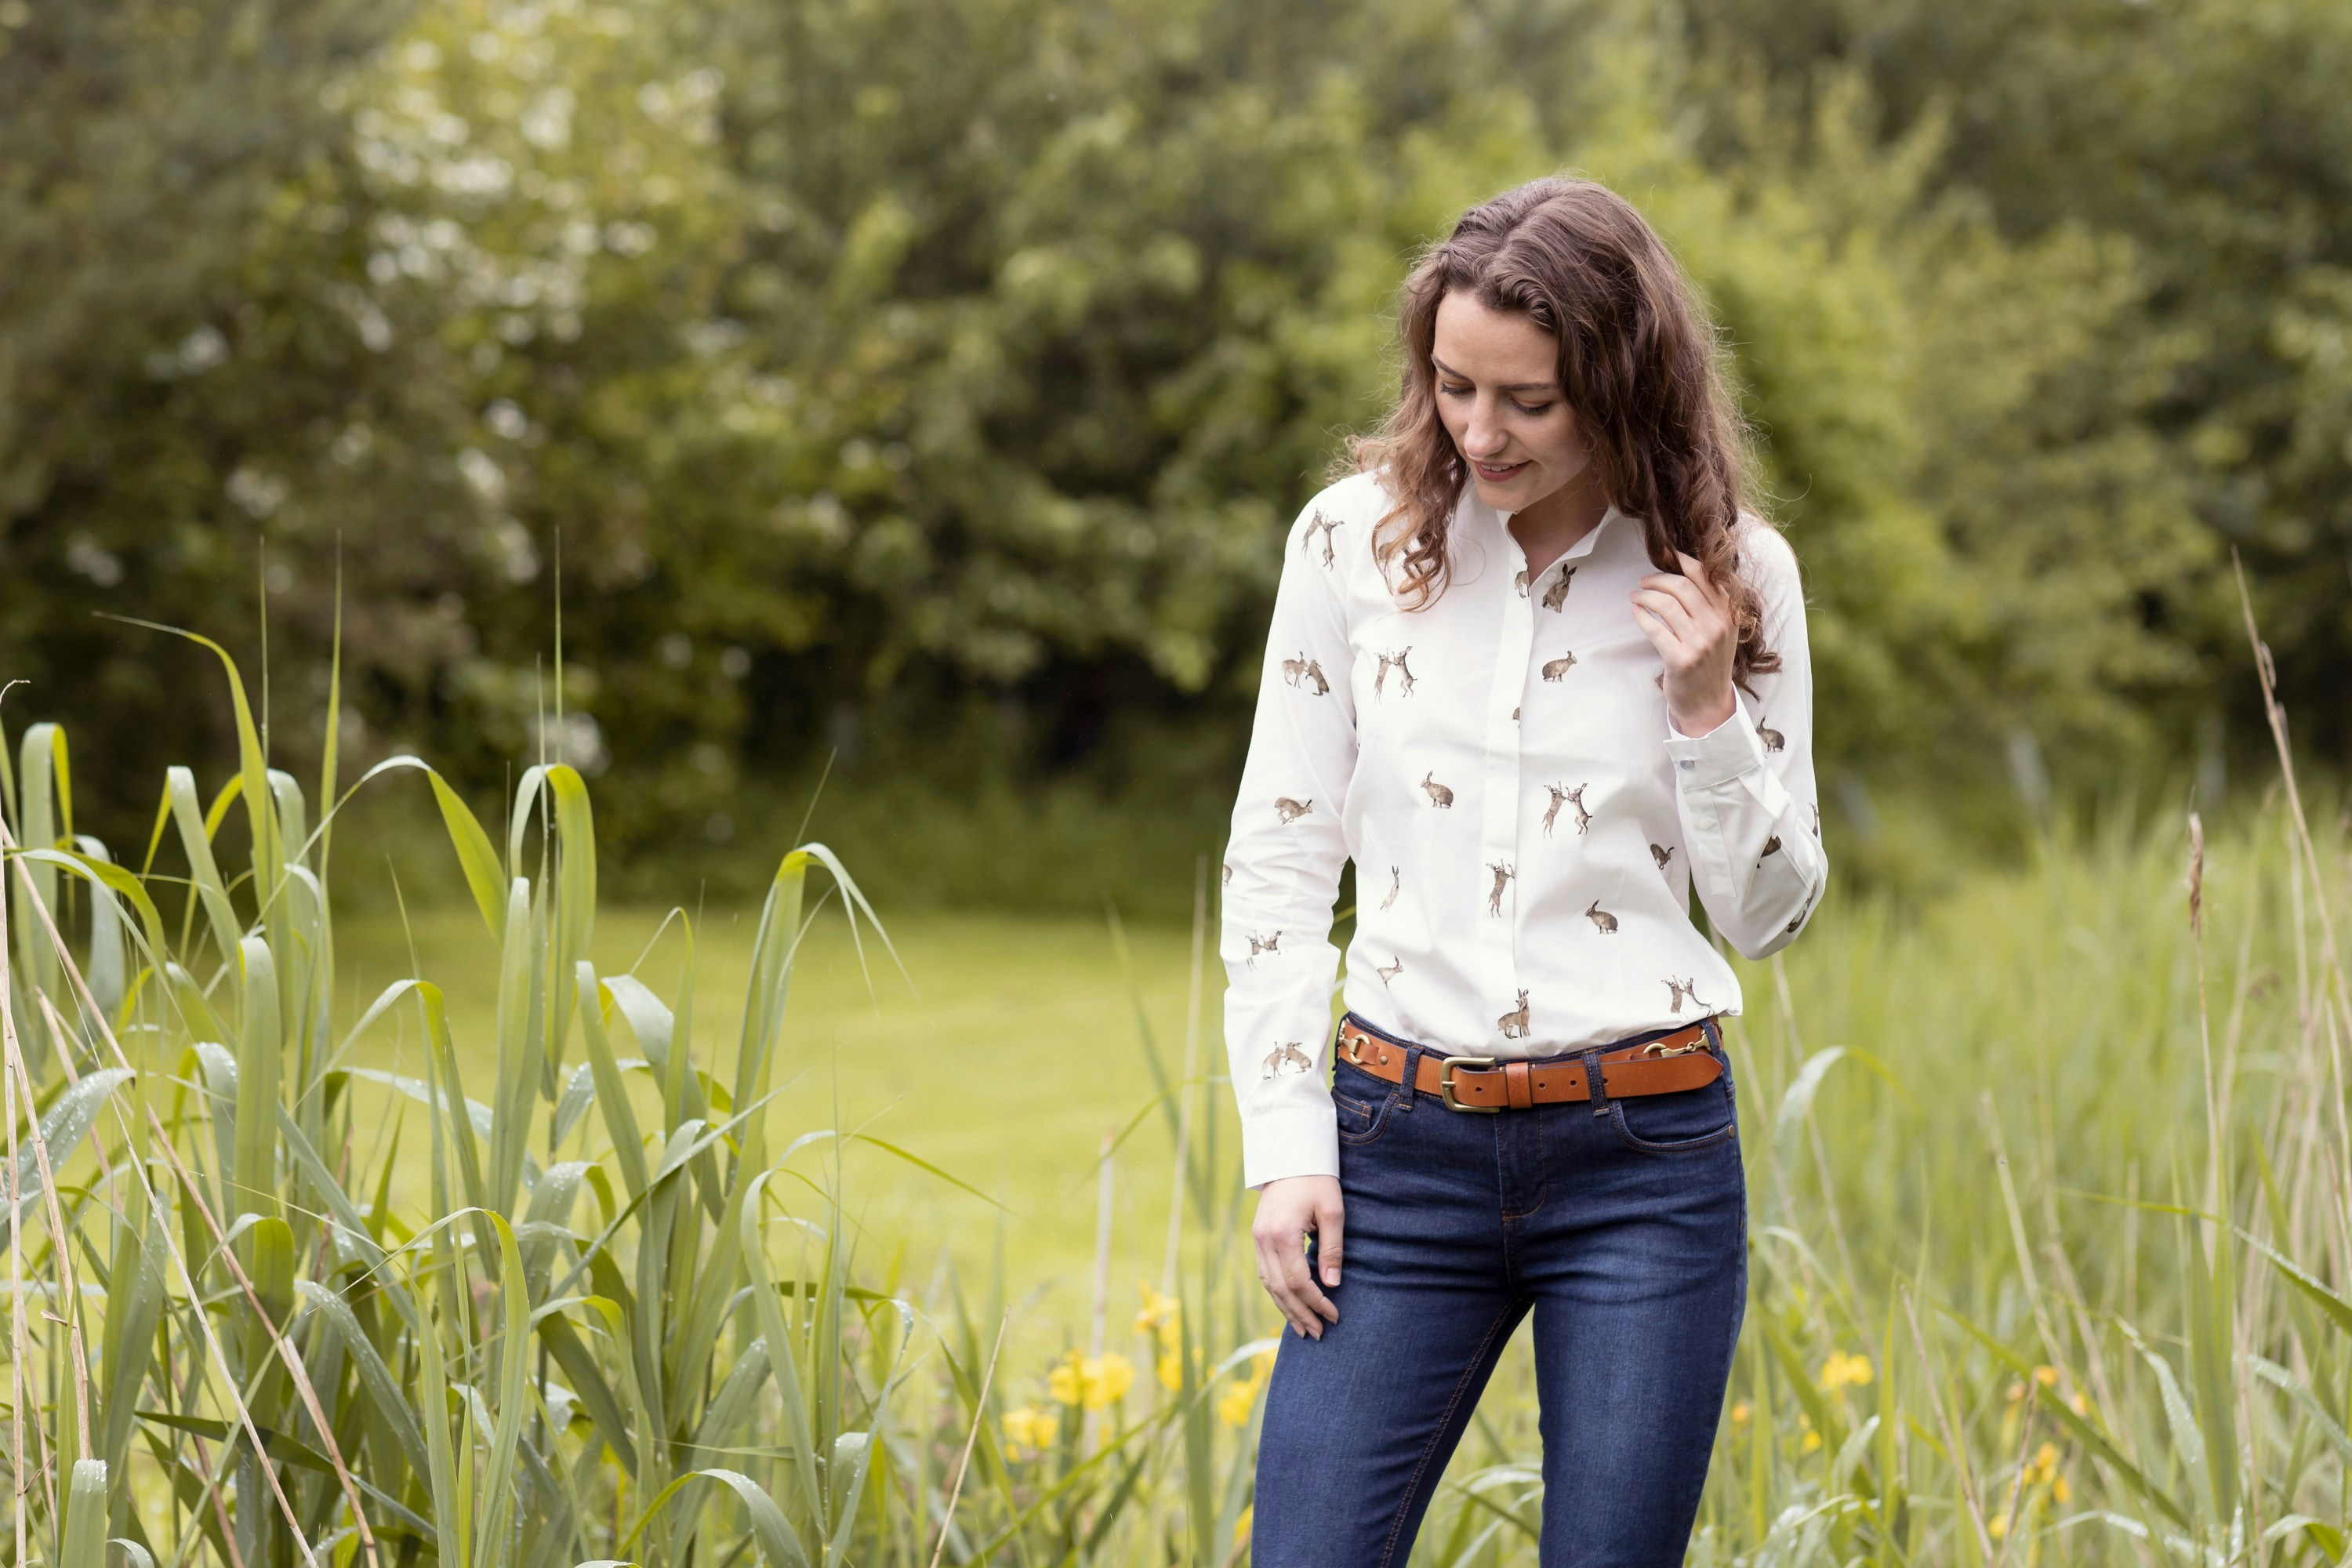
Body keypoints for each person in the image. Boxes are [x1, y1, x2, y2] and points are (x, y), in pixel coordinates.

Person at [1220, 175, 1827, 1566]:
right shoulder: (1350, 544)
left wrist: (1707, 712)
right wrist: (1287, 1143)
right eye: (1451, 387)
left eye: (1528, 402)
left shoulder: (1737, 574)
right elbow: (1279, 857)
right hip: (1395, 1149)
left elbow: (1772, 913)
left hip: (1644, 1162)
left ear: (1622, 387)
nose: (1478, 432)